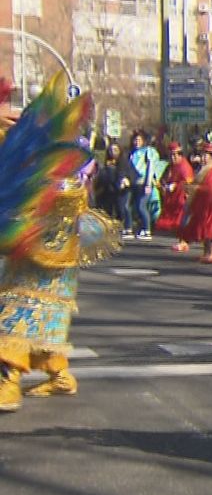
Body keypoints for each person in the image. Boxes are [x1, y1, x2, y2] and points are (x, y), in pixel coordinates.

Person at [1, 79, 121, 413]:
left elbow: (49, 205)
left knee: (13, 317)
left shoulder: (53, 167)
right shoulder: (56, 163)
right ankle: (60, 374)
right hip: (56, 260)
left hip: (38, 258)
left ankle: (7, 383)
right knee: (45, 319)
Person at [157, 142, 194, 250]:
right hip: (172, 198)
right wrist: (164, 185)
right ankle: (182, 241)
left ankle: (183, 242)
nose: (173, 157)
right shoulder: (171, 166)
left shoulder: (184, 167)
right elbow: (163, 178)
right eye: (171, 155)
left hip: (182, 199)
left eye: (175, 154)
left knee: (182, 220)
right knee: (176, 222)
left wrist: (176, 185)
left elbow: (188, 182)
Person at [127, 131, 163, 240]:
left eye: (139, 140)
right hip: (135, 183)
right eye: (135, 140)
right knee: (136, 206)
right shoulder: (133, 153)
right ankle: (142, 228)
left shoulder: (148, 151)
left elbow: (150, 168)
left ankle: (147, 230)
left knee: (141, 206)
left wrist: (148, 183)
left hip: (145, 182)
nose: (136, 142)